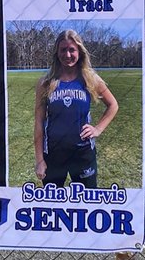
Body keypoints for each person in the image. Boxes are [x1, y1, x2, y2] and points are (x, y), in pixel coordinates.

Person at [34, 29, 118, 188]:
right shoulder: (46, 82)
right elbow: (39, 121)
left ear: (79, 51)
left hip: (82, 153)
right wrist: (39, 160)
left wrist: (98, 129)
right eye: (63, 49)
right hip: (53, 153)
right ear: (56, 53)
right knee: (52, 203)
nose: (67, 55)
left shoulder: (90, 78)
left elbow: (113, 104)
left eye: (72, 49)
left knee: (86, 201)